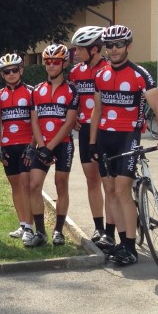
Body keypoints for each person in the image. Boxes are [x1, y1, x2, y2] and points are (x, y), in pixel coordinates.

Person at [89, 25, 158, 266]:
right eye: (109, 45)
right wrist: (93, 143)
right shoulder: (101, 75)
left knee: (122, 189)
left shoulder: (139, 74)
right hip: (105, 137)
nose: (113, 50)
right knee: (110, 189)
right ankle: (119, 241)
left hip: (128, 136)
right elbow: (97, 110)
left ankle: (129, 247)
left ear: (128, 46)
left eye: (118, 45)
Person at [69, 26, 117, 252]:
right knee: (92, 180)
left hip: (107, 130)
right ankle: (99, 227)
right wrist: (75, 116)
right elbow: (74, 98)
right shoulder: (76, 72)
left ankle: (111, 230)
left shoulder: (110, 69)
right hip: (87, 130)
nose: (76, 53)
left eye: (80, 49)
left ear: (95, 49)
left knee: (111, 184)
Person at [27, 44, 79, 246]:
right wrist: (42, 146)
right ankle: (40, 233)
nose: (51, 65)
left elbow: (69, 123)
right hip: (43, 144)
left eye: (56, 61)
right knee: (34, 185)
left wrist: (51, 147)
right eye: (47, 61)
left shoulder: (71, 90)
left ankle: (58, 230)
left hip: (62, 144)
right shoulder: (37, 90)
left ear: (64, 63)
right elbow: (34, 121)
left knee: (61, 185)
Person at [0, 52, 36, 240]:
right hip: (8, 145)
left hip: (26, 144)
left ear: (21, 70)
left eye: (14, 70)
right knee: (15, 186)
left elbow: (37, 122)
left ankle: (29, 227)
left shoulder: (31, 92)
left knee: (26, 185)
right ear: (2, 74)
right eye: (6, 71)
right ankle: (22, 224)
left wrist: (33, 145)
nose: (11, 74)